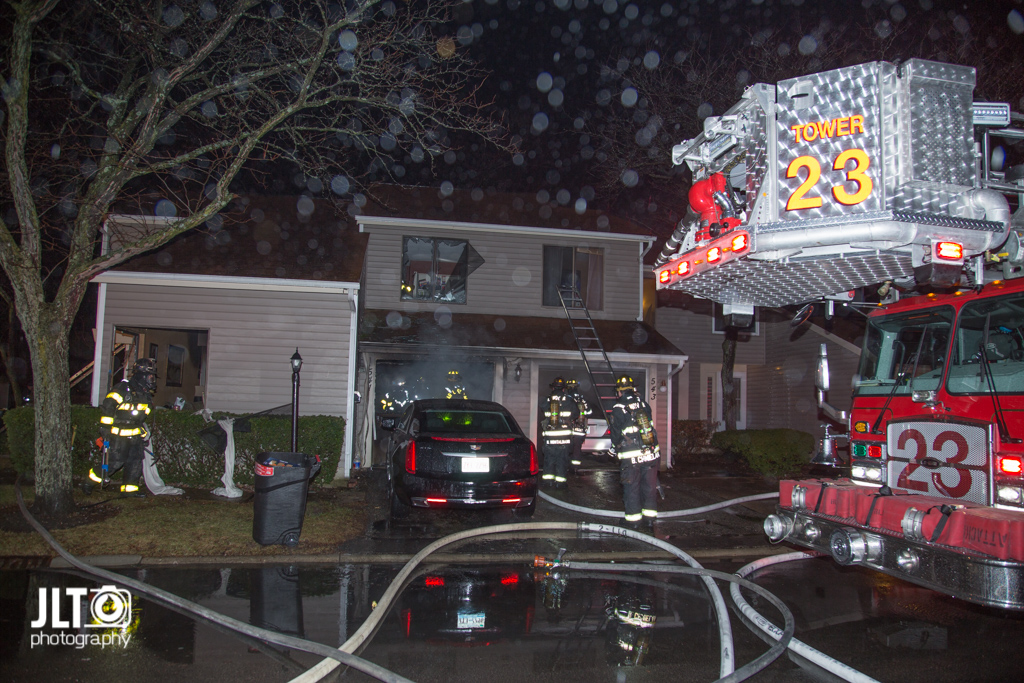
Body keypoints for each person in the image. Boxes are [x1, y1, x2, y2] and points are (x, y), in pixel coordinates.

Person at [89, 358, 157, 496]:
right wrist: (105, 429)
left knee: (135, 462)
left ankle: (129, 491)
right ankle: (89, 482)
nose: (152, 379)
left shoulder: (144, 394)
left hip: (135, 435)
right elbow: (108, 408)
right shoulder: (122, 389)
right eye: (150, 376)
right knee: (115, 462)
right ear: (140, 375)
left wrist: (142, 432)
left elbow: (143, 414)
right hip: (119, 435)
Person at [608, 375, 660, 531]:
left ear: (620, 392)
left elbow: (616, 435)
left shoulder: (618, 409)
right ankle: (650, 520)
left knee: (632, 487)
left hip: (631, 457)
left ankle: (633, 520)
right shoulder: (643, 404)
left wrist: (613, 450)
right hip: (651, 453)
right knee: (649, 487)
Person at [541, 377, 578, 489]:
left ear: (553, 387)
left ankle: (548, 483)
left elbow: (543, 411)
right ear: (563, 389)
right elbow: (576, 414)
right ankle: (560, 483)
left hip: (550, 438)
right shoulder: (569, 400)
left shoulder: (547, 400)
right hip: (564, 438)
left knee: (549, 460)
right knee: (562, 460)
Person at [565, 378, 591, 470]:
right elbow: (589, 411)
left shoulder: (567, 399)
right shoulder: (582, 398)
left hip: (568, 428)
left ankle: (566, 466)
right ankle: (575, 467)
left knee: (567, 447)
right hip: (580, 429)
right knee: (577, 448)